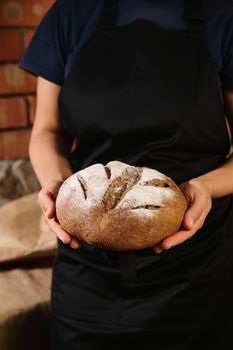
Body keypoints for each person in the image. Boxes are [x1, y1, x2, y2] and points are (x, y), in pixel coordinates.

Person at [18, 0, 233, 349]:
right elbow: (47, 132)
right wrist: (57, 186)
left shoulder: (223, 15)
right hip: (87, 269)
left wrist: (204, 187)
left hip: (197, 270)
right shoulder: (71, 14)